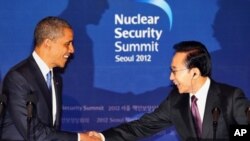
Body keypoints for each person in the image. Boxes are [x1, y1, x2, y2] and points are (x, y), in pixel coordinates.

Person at [93, 41, 249, 141]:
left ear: (194, 72)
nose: (171, 77)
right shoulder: (176, 100)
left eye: (174, 71)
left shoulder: (231, 97)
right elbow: (141, 126)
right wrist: (102, 137)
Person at [0, 16, 99, 141]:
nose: (72, 50)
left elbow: (52, 129)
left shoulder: (56, 79)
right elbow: (33, 132)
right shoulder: (18, 78)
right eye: (67, 43)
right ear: (48, 43)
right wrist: (79, 138)